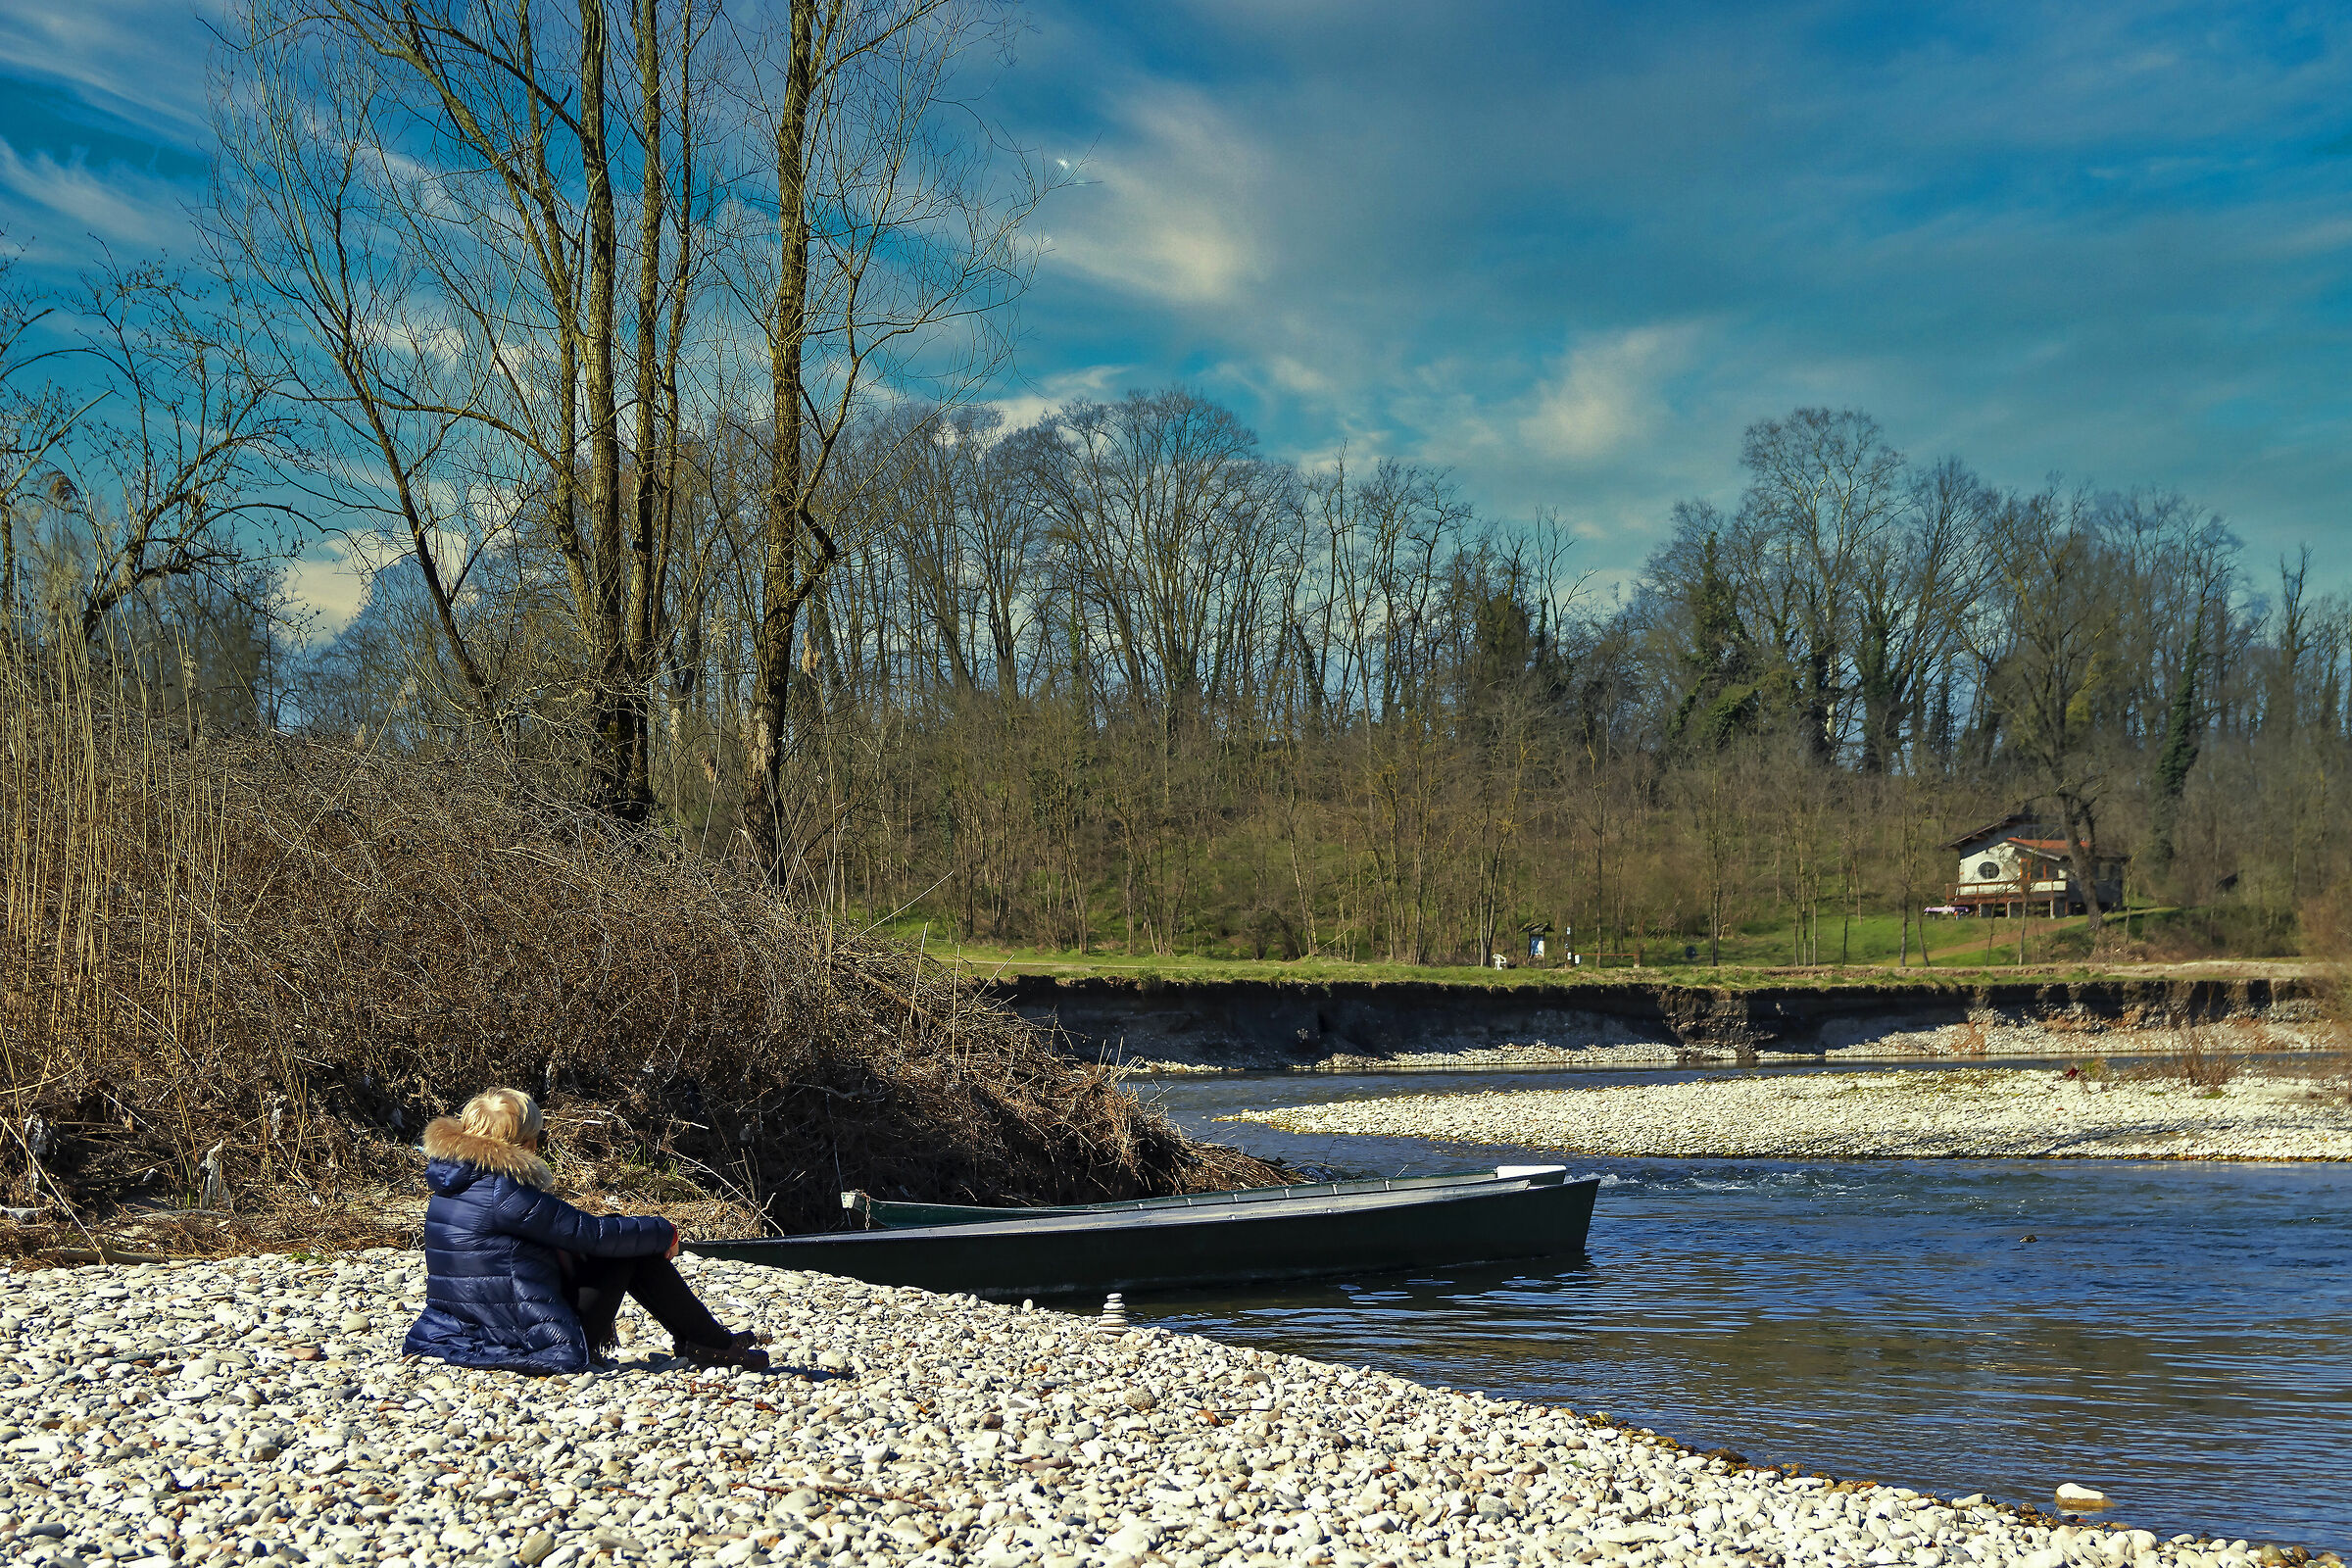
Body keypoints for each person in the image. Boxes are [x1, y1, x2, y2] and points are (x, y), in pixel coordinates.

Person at [402, 1087, 769, 1374]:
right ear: (524, 1143)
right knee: (628, 1247)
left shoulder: (454, 1184)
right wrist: (663, 1232)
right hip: (526, 1334)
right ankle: (710, 1343)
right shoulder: (504, 1192)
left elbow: (566, 1231)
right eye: (537, 1136)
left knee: (620, 1238)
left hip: (477, 1325)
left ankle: (708, 1341)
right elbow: (591, 1234)